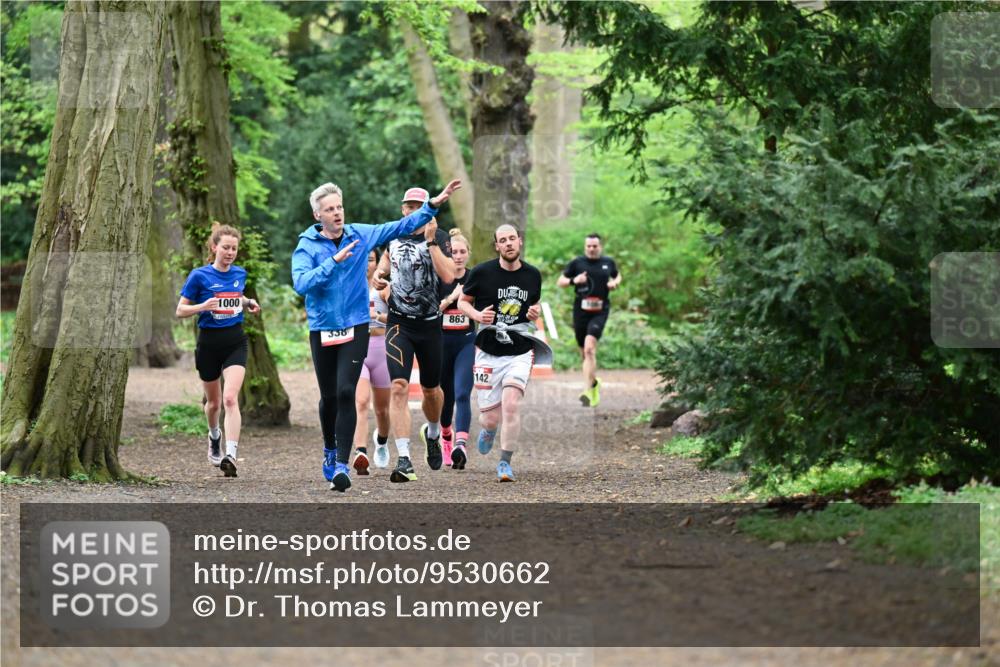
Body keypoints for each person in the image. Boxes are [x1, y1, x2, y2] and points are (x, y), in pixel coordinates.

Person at [292, 179, 462, 492]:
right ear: (318, 216)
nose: (337, 213)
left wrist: (434, 205)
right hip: (323, 327)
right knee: (329, 397)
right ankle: (330, 449)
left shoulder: (360, 233)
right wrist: (333, 262)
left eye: (339, 207)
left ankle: (342, 465)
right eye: (330, 209)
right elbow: (301, 283)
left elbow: (400, 225)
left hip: (357, 324)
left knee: (347, 392)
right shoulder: (307, 246)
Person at [373, 188, 456, 484]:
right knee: (398, 385)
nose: (410, 212)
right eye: (407, 207)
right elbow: (385, 263)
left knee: (432, 390)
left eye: (417, 207)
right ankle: (404, 459)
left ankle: (433, 432)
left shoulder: (440, 237)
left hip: (431, 324)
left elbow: (448, 276)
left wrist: (433, 242)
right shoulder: (394, 236)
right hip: (399, 324)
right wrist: (379, 275)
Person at [458, 224, 551, 482]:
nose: (509, 243)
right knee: (490, 418)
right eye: (503, 240)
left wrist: (535, 312)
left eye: (512, 238)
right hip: (488, 350)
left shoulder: (533, 275)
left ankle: (504, 462)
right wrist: (477, 315)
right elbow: (461, 302)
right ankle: (488, 430)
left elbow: (533, 304)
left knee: (511, 404)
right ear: (497, 246)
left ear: (519, 242)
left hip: (520, 349)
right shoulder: (481, 273)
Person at [176, 223, 261, 478]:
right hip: (208, 345)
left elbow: (236, 296)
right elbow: (180, 310)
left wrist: (247, 302)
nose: (230, 252)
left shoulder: (240, 273)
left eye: (234, 248)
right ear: (214, 248)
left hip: (235, 342)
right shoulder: (199, 276)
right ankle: (214, 436)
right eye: (225, 247)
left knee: (230, 399)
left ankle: (231, 455)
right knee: (213, 404)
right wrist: (203, 306)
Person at [557, 233, 621, 407]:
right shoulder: (577, 263)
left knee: (590, 349)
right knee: (583, 352)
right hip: (581, 311)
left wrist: (615, 282)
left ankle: (586, 391)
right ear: (585, 247)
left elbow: (617, 275)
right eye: (589, 246)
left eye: (595, 246)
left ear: (600, 246)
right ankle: (593, 384)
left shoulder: (608, 263)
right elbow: (560, 281)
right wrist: (573, 280)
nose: (592, 249)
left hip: (600, 310)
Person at [437, 229, 476, 470]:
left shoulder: (475, 278)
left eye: (462, 252)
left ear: (469, 254)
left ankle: (461, 445)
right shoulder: (438, 277)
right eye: (453, 252)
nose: (458, 256)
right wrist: (453, 297)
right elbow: (432, 311)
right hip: (440, 343)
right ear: (446, 253)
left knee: (462, 393)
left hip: (466, 341)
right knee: (445, 397)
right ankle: (446, 437)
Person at [351, 249, 392, 475]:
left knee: (382, 410)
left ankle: (382, 441)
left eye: (371, 260)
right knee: (361, 402)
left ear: (378, 263)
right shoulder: (351, 287)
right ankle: (360, 452)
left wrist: (379, 316)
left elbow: (398, 315)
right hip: (359, 348)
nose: (367, 264)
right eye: (363, 260)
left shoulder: (384, 288)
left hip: (382, 349)